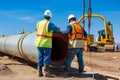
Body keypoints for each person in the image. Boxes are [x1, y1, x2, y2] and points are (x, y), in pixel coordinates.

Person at [35, 10, 60, 77]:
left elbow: (36, 30)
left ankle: (39, 72)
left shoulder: (38, 23)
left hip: (39, 43)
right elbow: (57, 29)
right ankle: (46, 72)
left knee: (40, 57)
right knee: (46, 58)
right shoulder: (49, 24)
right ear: (50, 17)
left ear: (44, 16)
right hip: (46, 44)